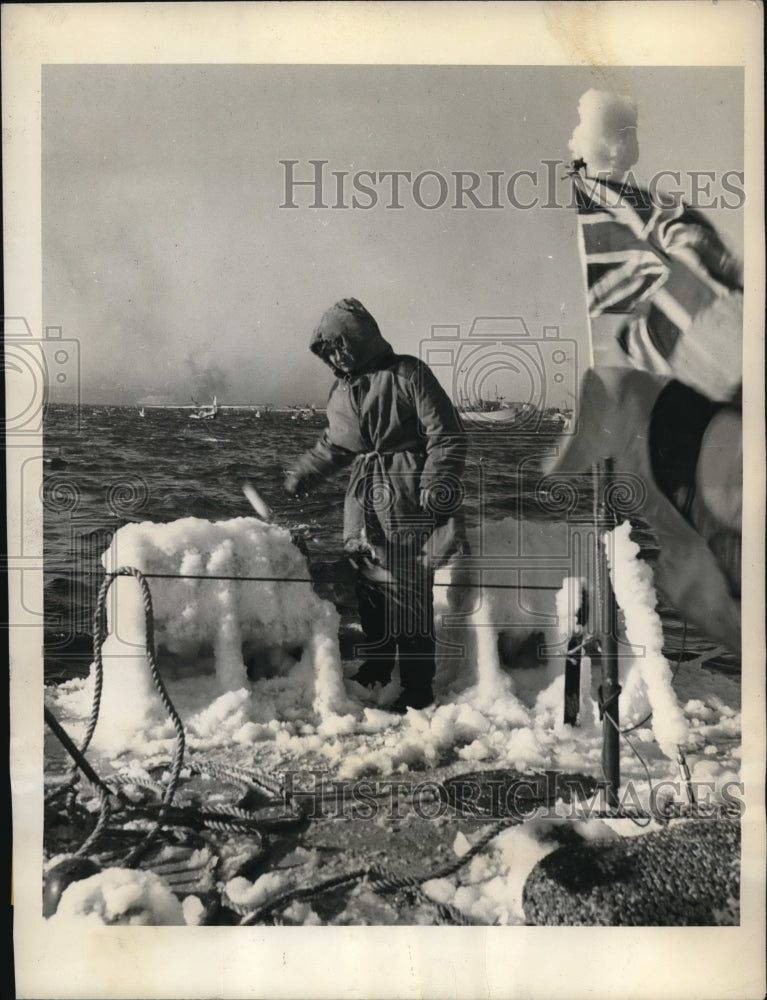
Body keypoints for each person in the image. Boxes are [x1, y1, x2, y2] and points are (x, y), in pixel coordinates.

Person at [284, 297, 468, 712]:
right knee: (369, 588)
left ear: (359, 339)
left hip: (407, 495)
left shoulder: (408, 374)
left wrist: (435, 482)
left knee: (410, 595)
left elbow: (448, 435)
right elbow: (336, 444)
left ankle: (419, 687)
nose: (335, 355)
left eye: (339, 345)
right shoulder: (341, 389)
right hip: (362, 500)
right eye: (327, 351)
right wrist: (304, 473)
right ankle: (377, 669)